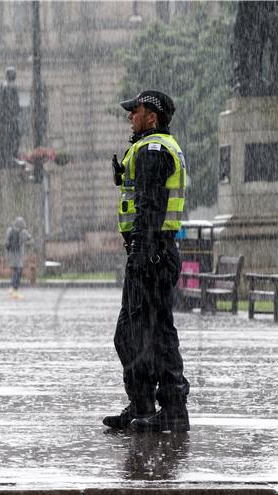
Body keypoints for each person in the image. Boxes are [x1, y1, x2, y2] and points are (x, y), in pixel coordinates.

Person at [103, 90, 190, 433]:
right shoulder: (149, 148)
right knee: (135, 333)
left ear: (151, 117)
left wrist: (141, 249)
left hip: (152, 252)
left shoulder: (154, 149)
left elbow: (152, 205)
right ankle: (143, 405)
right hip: (151, 251)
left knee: (153, 334)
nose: (130, 117)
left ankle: (171, 409)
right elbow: (144, 197)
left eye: (134, 111)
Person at [4, 216, 32, 299]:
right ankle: (15, 290)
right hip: (18, 256)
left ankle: (12, 288)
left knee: (15, 272)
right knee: (18, 272)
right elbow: (29, 238)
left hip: (11, 255)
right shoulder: (23, 232)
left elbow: (6, 242)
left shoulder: (9, 230)